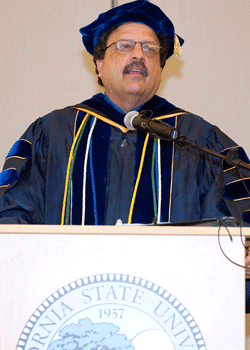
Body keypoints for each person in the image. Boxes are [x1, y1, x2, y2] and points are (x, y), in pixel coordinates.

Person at [0, 0, 249, 226]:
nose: (139, 54)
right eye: (124, 46)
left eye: (150, 49)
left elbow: (236, 224)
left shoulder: (198, 140)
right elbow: (13, 219)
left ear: (160, 70)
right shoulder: (53, 133)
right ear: (99, 64)